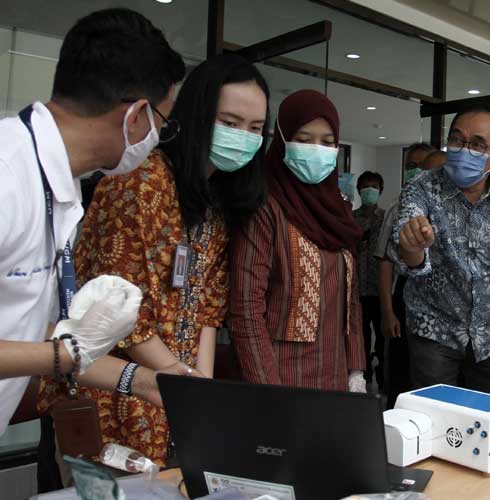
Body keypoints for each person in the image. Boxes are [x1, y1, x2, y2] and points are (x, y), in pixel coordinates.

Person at [37, 54, 270, 466]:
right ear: (197, 116)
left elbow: (208, 313)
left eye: (255, 128)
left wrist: (200, 388)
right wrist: (187, 388)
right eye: (230, 123)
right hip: (111, 392)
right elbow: (125, 318)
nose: (243, 137)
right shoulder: (139, 182)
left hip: (173, 398)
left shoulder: (216, 205)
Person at [0, 8, 188, 438]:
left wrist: (143, 381)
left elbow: (24, 328)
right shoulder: (7, 173)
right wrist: (64, 355)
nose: (156, 140)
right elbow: (59, 351)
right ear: (136, 114)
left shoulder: (55, 187)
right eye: (162, 123)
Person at [388, 103, 490, 397]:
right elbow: (408, 253)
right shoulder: (421, 188)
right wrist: (413, 247)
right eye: (457, 140)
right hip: (434, 331)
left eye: (478, 145)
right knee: (435, 423)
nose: (464, 150)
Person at [229, 89, 367, 393]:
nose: (316, 150)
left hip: (334, 374)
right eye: (303, 140)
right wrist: (268, 391)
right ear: (281, 140)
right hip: (280, 375)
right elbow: (245, 309)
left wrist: (356, 369)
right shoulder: (265, 206)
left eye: (327, 142)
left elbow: (351, 298)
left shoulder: (339, 209)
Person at [376, 144, 438, 407]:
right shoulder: (398, 209)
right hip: (407, 295)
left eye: (424, 165)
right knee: (401, 371)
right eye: (413, 166)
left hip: (442, 305)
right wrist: (388, 312)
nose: (418, 171)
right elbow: (386, 263)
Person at [353, 171, 386, 389]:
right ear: (358, 191)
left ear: (380, 191)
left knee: (383, 337)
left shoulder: (386, 217)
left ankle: (383, 373)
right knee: (360, 337)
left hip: (381, 290)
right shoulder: (350, 218)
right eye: (365, 187)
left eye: (373, 187)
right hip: (356, 290)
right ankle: (361, 376)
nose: (369, 191)